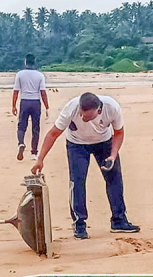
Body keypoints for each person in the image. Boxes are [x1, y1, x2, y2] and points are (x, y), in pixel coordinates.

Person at [32, 92, 140, 239]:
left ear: (99, 111)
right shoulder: (71, 107)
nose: (83, 118)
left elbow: (119, 133)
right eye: (82, 115)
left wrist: (113, 156)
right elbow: (53, 134)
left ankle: (119, 220)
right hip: (76, 145)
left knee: (114, 179)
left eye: (88, 117)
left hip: (104, 143)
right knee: (77, 182)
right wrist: (40, 159)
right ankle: (79, 224)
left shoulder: (112, 107)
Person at [12, 54, 49, 161]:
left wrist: (14, 105)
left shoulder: (20, 74)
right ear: (34, 62)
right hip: (36, 102)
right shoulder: (40, 75)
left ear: (25, 62)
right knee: (35, 127)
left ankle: (21, 143)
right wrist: (47, 107)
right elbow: (43, 93)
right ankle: (34, 152)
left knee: (22, 125)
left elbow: (16, 91)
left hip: (24, 101)